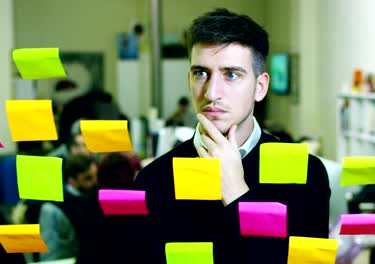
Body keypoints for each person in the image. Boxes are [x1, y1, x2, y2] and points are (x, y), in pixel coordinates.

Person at [131, 8, 330, 264]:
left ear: (260, 87)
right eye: (200, 73)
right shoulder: (154, 178)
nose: (212, 93)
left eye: (231, 74)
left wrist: (237, 193)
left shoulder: (305, 172)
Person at [38, 154, 100, 261]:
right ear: (72, 181)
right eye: (88, 178)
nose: (95, 182)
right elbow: (50, 253)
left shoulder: (96, 196)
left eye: (96, 176)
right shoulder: (53, 208)